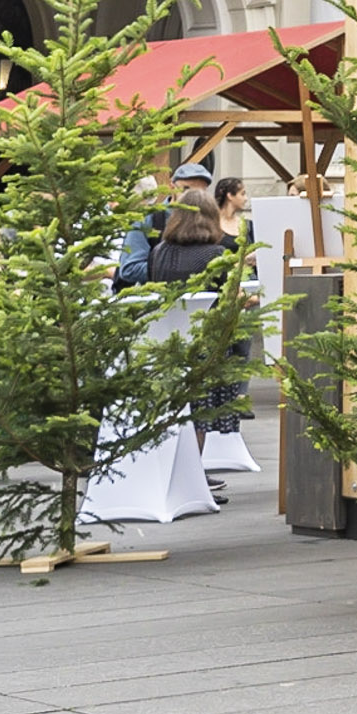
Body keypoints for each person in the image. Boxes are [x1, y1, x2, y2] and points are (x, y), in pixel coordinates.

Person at [147, 194, 251, 492]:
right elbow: (232, 298)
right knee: (201, 414)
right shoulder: (215, 254)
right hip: (207, 344)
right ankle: (193, 478)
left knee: (177, 411)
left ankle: (179, 474)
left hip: (169, 341)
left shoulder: (160, 252)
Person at [114, 159, 215, 290]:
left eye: (200, 192)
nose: (193, 197)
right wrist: (174, 271)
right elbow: (129, 269)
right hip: (153, 302)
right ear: (171, 186)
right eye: (186, 189)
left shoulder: (208, 220)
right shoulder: (148, 219)